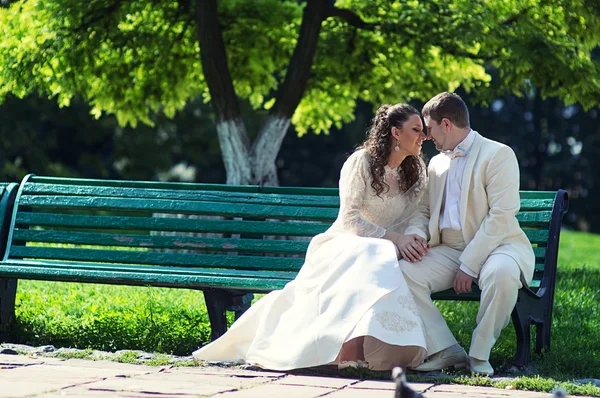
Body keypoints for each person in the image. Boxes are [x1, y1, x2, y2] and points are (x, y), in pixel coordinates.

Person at [193, 103, 429, 371]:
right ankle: (349, 350)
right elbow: (350, 220)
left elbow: (419, 214)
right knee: (371, 254)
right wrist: (395, 239)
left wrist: (412, 239)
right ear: (396, 133)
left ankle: (383, 344)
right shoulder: (361, 162)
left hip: (384, 250)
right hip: (346, 243)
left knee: (378, 256)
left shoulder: (416, 171)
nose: (424, 136)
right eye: (416, 129)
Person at [400, 92, 535, 376]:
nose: (427, 136)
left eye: (430, 128)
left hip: (499, 246)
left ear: (446, 124)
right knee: (403, 273)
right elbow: (423, 211)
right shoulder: (436, 163)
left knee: (502, 274)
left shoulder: (498, 154)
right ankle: (446, 349)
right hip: (448, 248)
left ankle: (478, 355)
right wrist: (415, 236)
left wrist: (469, 264)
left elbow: (500, 216)